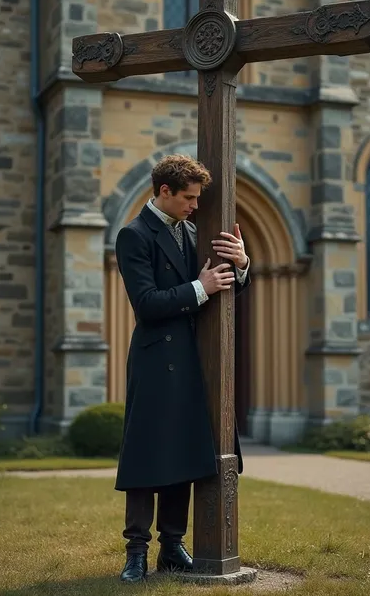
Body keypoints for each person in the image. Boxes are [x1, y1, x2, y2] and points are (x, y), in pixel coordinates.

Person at [114, 154, 250, 583]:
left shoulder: (193, 232)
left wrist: (242, 264)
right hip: (156, 360)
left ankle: (172, 547)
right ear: (164, 192)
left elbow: (222, 282)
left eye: (197, 199)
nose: (195, 206)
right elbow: (148, 304)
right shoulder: (133, 235)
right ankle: (136, 551)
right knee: (146, 456)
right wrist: (199, 287)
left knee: (184, 453)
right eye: (188, 198)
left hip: (193, 361)